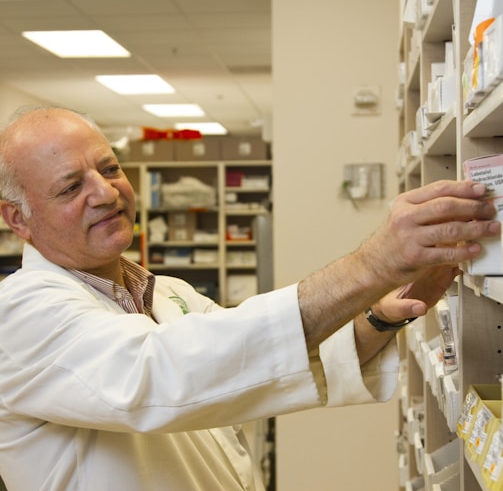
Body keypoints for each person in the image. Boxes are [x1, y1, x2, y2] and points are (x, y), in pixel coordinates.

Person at [0, 105, 498, 491]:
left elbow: (250, 366)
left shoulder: (165, 293)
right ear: (17, 219)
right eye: (70, 188)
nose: (106, 193)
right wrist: (369, 267)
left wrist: (377, 320)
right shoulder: (21, 315)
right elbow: (161, 376)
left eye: (109, 168)